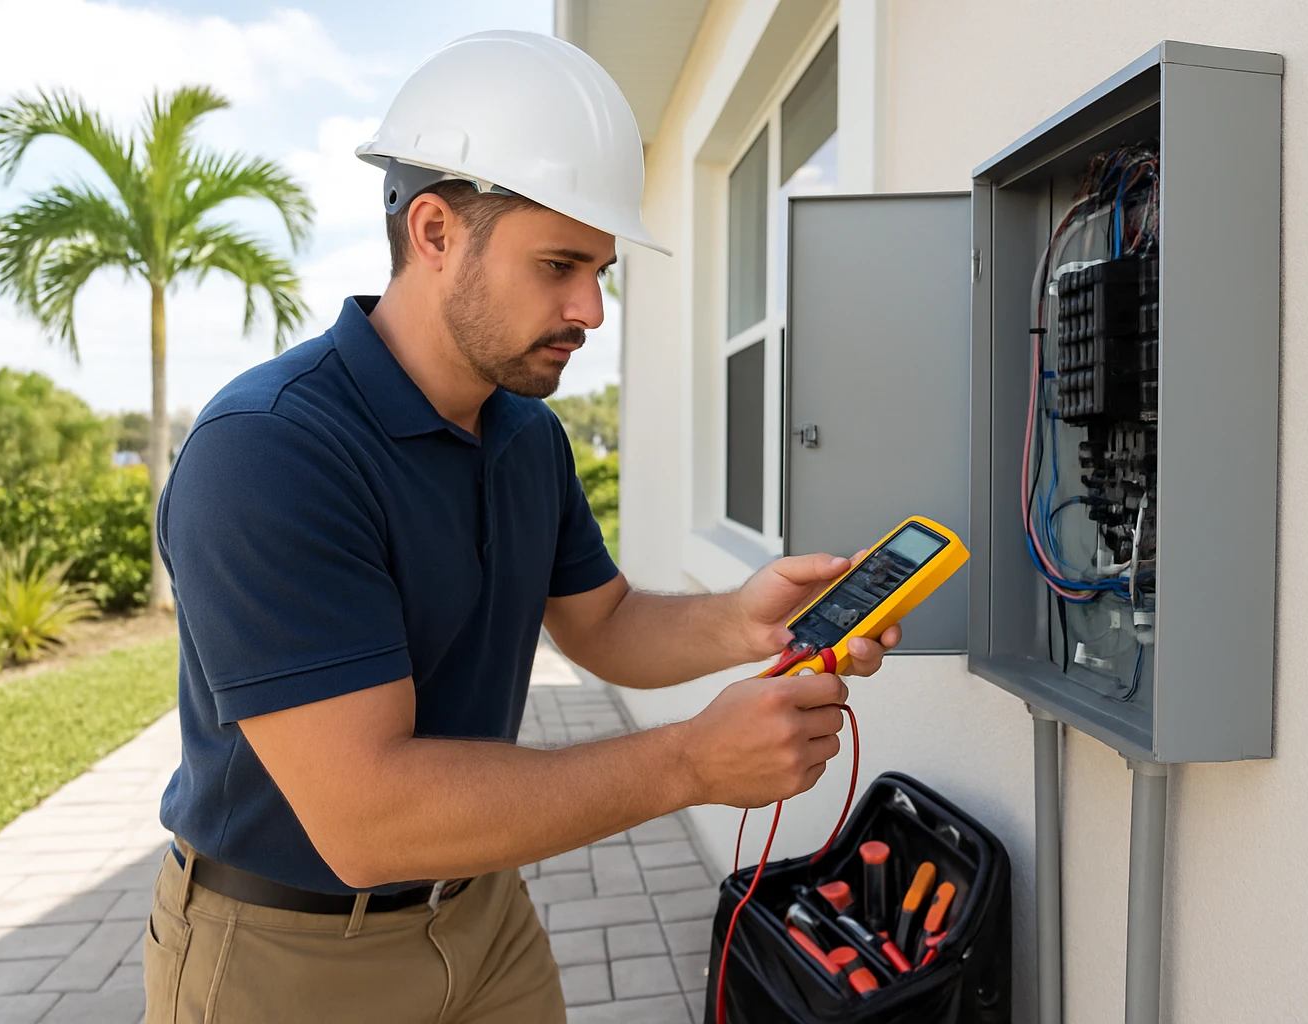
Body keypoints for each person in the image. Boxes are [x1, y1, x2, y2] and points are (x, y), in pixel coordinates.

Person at [141, 31, 900, 1024]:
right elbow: (368, 817)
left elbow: (602, 622)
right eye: (558, 264)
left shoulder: (527, 434)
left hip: (484, 916)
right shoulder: (272, 450)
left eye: (600, 269)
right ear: (433, 232)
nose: (590, 306)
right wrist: (688, 763)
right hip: (287, 955)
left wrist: (746, 623)